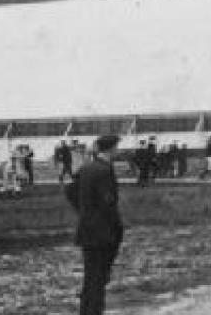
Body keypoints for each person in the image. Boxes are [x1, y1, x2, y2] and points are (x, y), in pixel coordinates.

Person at [67, 134, 124, 315]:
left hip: (87, 230)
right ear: (112, 149)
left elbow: (69, 189)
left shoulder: (87, 168)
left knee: (91, 277)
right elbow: (108, 202)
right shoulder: (104, 170)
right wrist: (117, 227)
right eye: (117, 147)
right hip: (103, 232)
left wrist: (84, 212)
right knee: (99, 278)